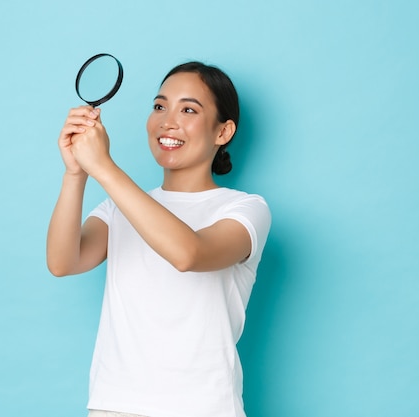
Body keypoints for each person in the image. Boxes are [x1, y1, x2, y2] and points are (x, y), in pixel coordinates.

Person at [46, 61, 271, 417]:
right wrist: (76, 173)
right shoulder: (117, 207)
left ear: (223, 132)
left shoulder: (245, 210)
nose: (167, 121)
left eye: (188, 109)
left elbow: (188, 254)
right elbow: (62, 262)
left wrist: (104, 167)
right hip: (113, 405)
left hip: (203, 408)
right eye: (159, 106)